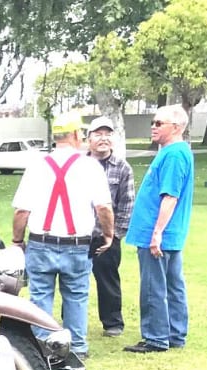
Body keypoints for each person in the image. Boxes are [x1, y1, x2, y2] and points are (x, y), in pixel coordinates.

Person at [11, 115, 113, 361]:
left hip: (40, 242)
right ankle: (76, 348)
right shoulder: (90, 167)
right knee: (76, 296)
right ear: (77, 135)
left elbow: (22, 211)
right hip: (76, 244)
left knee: (40, 296)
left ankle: (42, 346)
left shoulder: (37, 165)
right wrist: (108, 235)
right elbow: (103, 208)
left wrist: (17, 240)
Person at [124, 105, 195, 354]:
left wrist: (156, 233)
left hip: (158, 234)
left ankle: (155, 337)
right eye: (153, 122)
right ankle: (175, 333)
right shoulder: (174, 152)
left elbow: (170, 196)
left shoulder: (174, 155)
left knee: (154, 286)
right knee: (174, 285)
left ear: (176, 127)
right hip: (170, 234)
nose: (153, 127)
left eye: (158, 123)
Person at [86, 116, 134, 337]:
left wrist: (115, 236)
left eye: (107, 134)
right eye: (98, 134)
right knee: (73, 281)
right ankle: (70, 321)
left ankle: (113, 323)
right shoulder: (80, 165)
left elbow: (127, 204)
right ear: (89, 139)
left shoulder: (123, 168)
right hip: (80, 234)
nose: (103, 138)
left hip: (107, 237)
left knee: (109, 281)